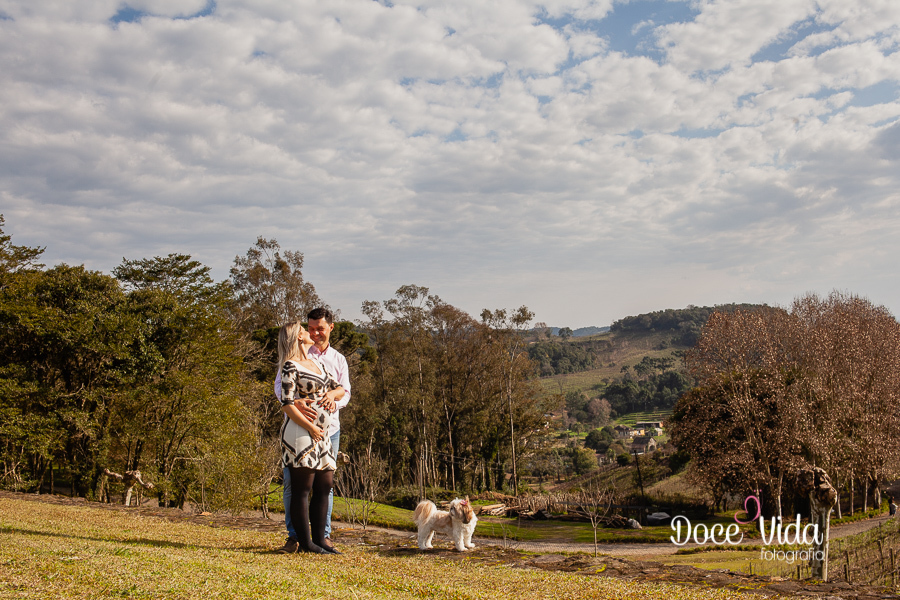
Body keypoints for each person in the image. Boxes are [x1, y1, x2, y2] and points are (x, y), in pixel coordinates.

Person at [276, 308, 351, 554]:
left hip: (328, 431)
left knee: (324, 485)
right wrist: (297, 404)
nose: (314, 332)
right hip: (302, 431)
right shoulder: (291, 362)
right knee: (298, 486)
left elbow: (343, 390)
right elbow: (283, 394)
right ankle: (298, 539)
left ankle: (322, 539)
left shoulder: (329, 360)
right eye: (309, 329)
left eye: (319, 328)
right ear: (300, 335)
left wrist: (332, 396)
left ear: (331, 327)